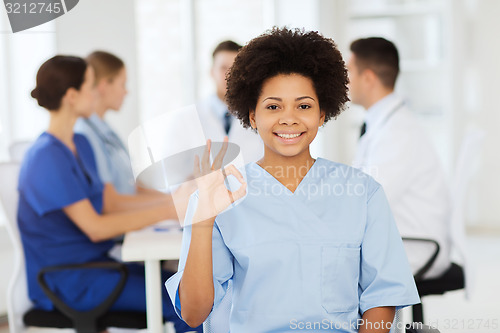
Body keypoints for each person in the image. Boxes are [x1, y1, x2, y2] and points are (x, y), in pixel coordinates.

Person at [165, 28, 420, 333]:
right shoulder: (219, 195)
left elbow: (382, 297)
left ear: (322, 113)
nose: (289, 118)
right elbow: (194, 314)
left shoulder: (362, 193)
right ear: (253, 115)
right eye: (273, 106)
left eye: (304, 106)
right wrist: (203, 218)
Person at [18, 55, 201, 333]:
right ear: (71, 95)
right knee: (186, 302)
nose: (97, 93)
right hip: (71, 280)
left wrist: (173, 199)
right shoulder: (46, 157)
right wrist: (169, 208)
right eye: (91, 86)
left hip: (100, 267)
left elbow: (109, 201)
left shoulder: (79, 143)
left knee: (188, 285)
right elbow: (95, 228)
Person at [347, 37, 451, 279]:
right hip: (399, 237)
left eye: (349, 71)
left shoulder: (397, 132)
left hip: (415, 246)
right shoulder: (385, 123)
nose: (345, 80)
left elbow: (369, 201)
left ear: (368, 78)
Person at [73, 51, 136, 195]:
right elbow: (109, 202)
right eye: (123, 84)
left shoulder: (105, 129)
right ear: (104, 85)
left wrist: (175, 198)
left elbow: (134, 186)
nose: (126, 92)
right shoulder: (84, 133)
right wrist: (172, 205)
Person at [195, 40, 263, 164]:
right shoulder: (190, 119)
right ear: (212, 72)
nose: (229, 75)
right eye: (223, 68)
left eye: (234, 69)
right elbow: (172, 177)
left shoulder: (260, 117)